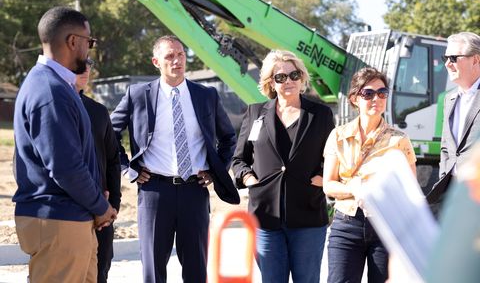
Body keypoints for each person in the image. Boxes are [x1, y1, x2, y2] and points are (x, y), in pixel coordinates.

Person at [110, 35, 240, 283]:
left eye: (181, 54)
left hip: (195, 191)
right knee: (153, 269)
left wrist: (216, 171)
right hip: (153, 192)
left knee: (196, 268)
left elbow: (228, 138)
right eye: (169, 56)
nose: (177, 60)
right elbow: (108, 134)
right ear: (156, 61)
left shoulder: (206, 95)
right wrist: (127, 169)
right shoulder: (138, 94)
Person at [12, 6, 117, 283]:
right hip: (60, 222)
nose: (89, 50)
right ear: (73, 41)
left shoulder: (57, 86)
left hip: (72, 220)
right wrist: (101, 206)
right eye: (89, 42)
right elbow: (66, 167)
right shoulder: (50, 91)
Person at [232, 50, 334, 283]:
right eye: (281, 77)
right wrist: (249, 179)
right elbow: (239, 160)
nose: (288, 81)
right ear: (271, 82)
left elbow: (332, 156)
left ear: (302, 78)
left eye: (294, 75)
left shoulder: (321, 114)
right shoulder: (255, 112)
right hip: (265, 216)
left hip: (308, 214)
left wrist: (322, 176)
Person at [323, 67, 416, 283]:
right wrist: (355, 189)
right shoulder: (338, 135)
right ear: (355, 98)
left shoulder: (400, 140)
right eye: (369, 93)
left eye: (382, 93)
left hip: (386, 226)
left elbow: (409, 188)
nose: (377, 98)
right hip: (346, 225)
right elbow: (328, 185)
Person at [76, 58, 122, 283]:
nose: (86, 69)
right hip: (64, 216)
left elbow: (114, 161)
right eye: (80, 63)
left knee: (99, 274)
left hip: (101, 218)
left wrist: (112, 206)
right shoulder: (49, 106)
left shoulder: (98, 112)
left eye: (89, 64)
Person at [429, 32, 480, 209]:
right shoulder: (449, 99)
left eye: (453, 58)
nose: (447, 64)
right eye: (445, 57)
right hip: (453, 196)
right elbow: (447, 147)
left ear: (475, 60)